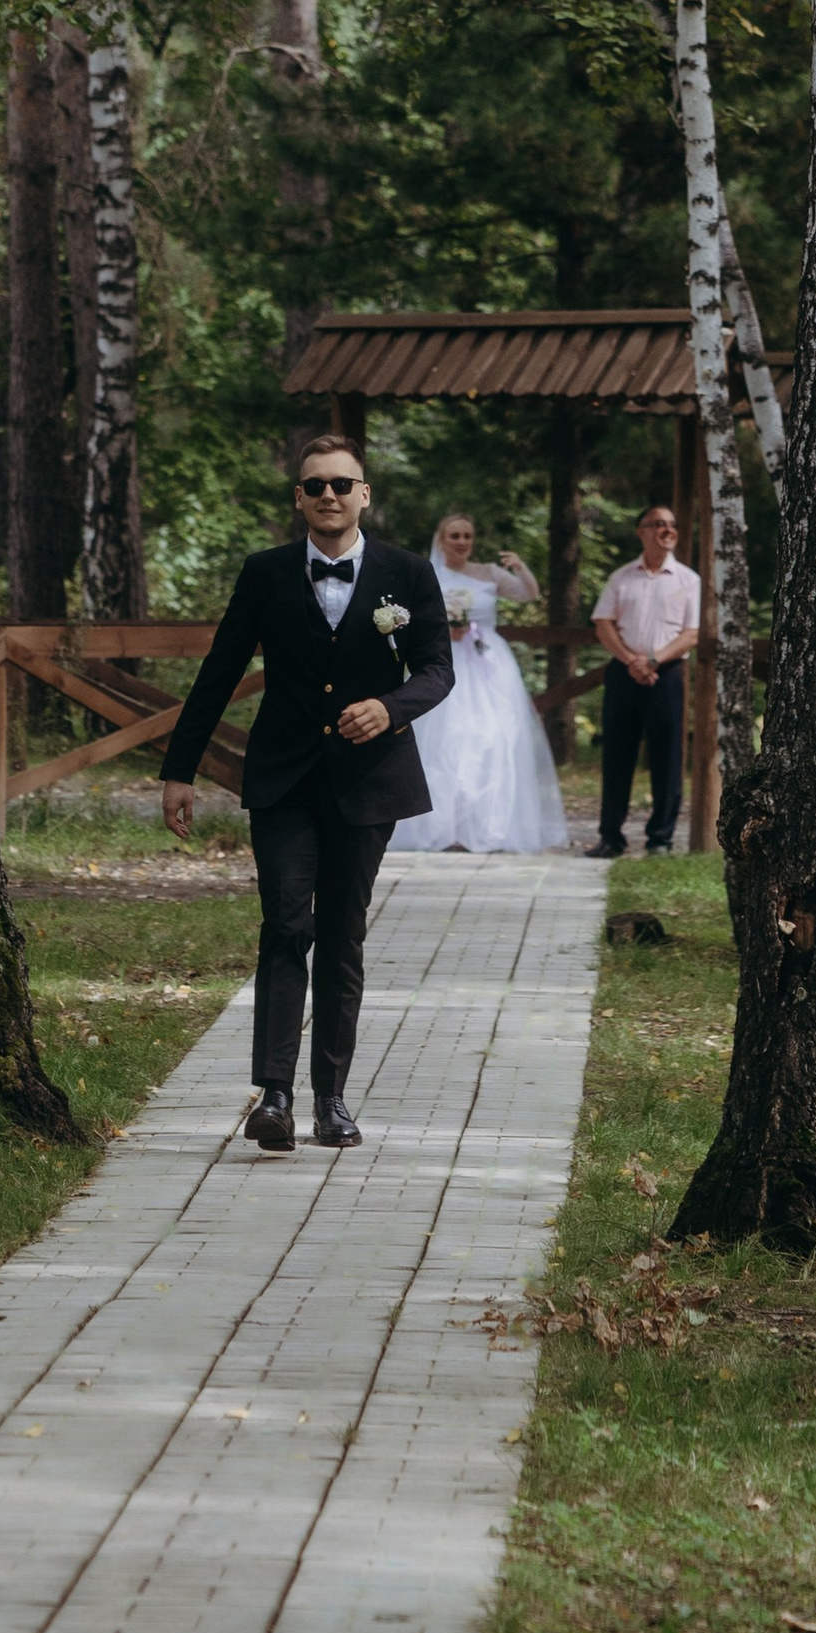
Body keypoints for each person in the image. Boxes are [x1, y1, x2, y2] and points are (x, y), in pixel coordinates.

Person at [160, 436, 454, 1153]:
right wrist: (179, 768)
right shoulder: (264, 573)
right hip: (283, 780)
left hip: (369, 784)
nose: (328, 495)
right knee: (287, 925)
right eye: (315, 484)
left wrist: (390, 708)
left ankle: (331, 1098)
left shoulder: (407, 574)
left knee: (343, 936)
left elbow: (437, 669)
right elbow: (220, 671)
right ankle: (275, 1096)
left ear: (364, 495)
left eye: (341, 484)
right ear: (298, 498)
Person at [390, 513, 569, 854]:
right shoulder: (428, 574)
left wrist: (520, 567)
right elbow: (410, 618)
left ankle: (488, 825)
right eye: (455, 536)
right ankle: (443, 827)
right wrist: (445, 629)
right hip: (444, 661)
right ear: (442, 540)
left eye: (467, 536)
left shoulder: (489, 573)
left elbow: (527, 594)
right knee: (446, 741)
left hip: (487, 665)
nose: (462, 542)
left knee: (491, 738)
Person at [590, 503, 703, 858]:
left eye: (672, 524)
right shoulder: (622, 577)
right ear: (641, 532)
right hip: (624, 672)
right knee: (616, 753)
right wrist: (631, 660)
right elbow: (603, 623)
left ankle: (660, 839)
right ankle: (611, 837)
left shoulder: (688, 580)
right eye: (658, 524)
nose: (667, 530)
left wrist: (653, 661)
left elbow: (692, 633)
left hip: (666, 675)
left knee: (667, 755)